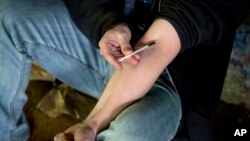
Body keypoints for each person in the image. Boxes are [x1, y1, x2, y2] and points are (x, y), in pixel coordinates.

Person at [0, 0, 249, 141]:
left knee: (129, 135)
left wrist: (92, 124)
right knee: (7, 16)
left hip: (172, 86)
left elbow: (158, 47)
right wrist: (108, 24)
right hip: (111, 52)